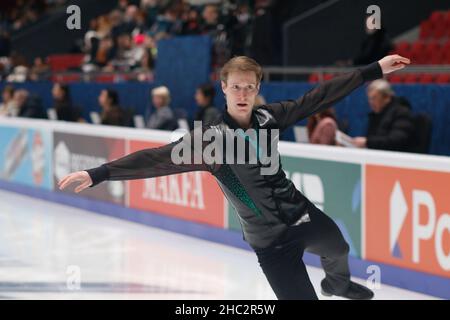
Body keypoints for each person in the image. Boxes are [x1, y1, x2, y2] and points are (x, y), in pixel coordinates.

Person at [58, 54, 410, 300]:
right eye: (236, 87)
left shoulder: (270, 118)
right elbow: (156, 160)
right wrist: (99, 172)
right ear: (224, 88)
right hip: (270, 241)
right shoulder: (209, 141)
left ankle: (337, 285)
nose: (243, 94)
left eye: (249, 87)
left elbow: (318, 97)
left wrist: (373, 69)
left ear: (257, 89)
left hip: (301, 214)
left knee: (339, 247)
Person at [352, 79, 415, 152]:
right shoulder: (376, 114)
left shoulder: (402, 113)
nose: (370, 102)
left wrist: (367, 142)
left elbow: (396, 141)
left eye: (374, 98)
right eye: (369, 99)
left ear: (387, 98)